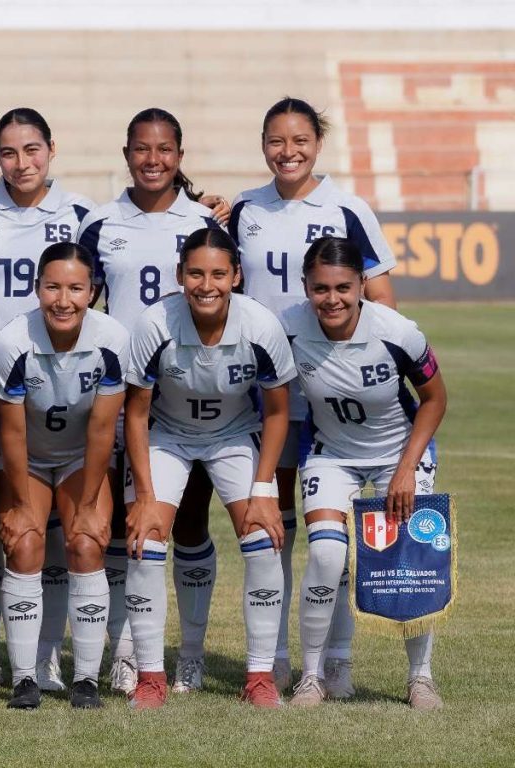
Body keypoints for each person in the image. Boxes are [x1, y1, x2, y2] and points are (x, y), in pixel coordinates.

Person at [228, 96, 398, 694]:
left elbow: (383, 302)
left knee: (332, 541)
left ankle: (332, 661)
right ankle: (270, 659)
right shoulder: (244, 209)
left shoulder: (347, 207)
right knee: (273, 532)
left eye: (299, 139)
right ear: (264, 143)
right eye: (277, 139)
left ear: (317, 143)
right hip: (262, 398)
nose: (288, 151)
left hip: (328, 401)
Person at [76, 107, 229, 696]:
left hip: (191, 391)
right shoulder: (99, 223)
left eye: (165, 149)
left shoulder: (206, 221)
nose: (153, 159)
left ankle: (187, 653)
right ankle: (127, 648)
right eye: (142, 148)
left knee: (188, 522)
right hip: (125, 394)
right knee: (125, 524)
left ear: (180, 156)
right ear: (126, 153)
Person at [123, 227, 296, 709]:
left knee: (262, 539)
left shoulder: (260, 326)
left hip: (234, 435)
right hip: (168, 435)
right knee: (146, 539)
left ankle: (259, 676)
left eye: (219, 274)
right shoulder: (155, 323)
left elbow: (278, 411)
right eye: (195, 273)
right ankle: (151, 676)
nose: (206, 284)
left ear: (236, 276)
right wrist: (143, 494)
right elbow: (135, 412)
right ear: (179, 275)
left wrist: (264, 488)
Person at [281, 237, 446, 710]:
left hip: (401, 453)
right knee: (329, 557)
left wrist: (406, 470)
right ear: (306, 287)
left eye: (343, 287)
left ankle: (421, 678)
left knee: (408, 560)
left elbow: (435, 399)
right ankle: (312, 678)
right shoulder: (288, 329)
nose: (332, 299)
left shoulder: (398, 332)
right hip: (331, 454)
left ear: (360, 286)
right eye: (320, 288)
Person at [0, 107, 95, 692]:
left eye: (33, 149)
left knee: (63, 538)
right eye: (9, 152)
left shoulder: (81, 216)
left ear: (52, 149)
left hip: (57, 388)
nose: (23, 162)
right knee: (1, 529)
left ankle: (46, 657)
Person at [0, 242, 128, 710]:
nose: (63, 300)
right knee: (26, 539)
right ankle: (25, 678)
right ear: (37, 289)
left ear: (93, 292)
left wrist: (89, 505)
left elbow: (103, 429)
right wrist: (21, 504)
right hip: (26, 458)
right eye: (52, 287)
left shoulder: (112, 339)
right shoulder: (13, 341)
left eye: (75, 288)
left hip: (78, 457)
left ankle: (86, 679)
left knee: (87, 542)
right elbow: (10, 433)